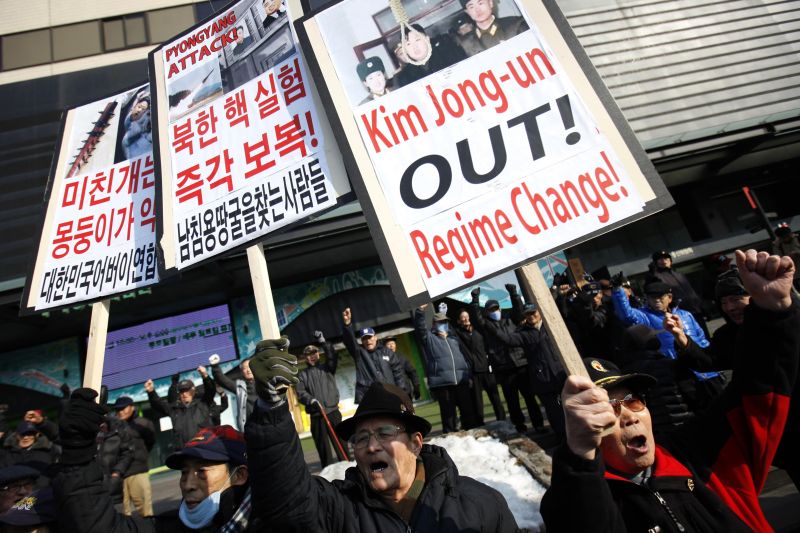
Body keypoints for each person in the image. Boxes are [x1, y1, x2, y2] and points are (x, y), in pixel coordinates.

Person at [541, 249, 799, 532]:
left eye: (634, 400)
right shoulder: (586, 499)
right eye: (609, 408)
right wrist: (578, 456)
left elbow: (757, 388)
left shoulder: (696, 456)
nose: (629, 416)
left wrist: (772, 314)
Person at [244, 337, 520, 532]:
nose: (371, 446)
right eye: (361, 438)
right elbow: (286, 502)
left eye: (385, 433)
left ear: (415, 443)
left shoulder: (479, 504)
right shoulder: (340, 510)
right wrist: (271, 408)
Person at [54, 388, 252, 532]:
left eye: (202, 472)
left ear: (240, 475)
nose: (188, 485)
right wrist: (77, 454)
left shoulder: (269, 520)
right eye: (184, 473)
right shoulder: (163, 527)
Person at [471, 285, 543, 433]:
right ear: (487, 312)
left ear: (500, 309)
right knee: (512, 401)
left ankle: (539, 424)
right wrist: (475, 300)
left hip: (521, 365)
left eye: (495, 308)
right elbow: (476, 319)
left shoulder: (511, 320)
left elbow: (519, 310)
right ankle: (520, 426)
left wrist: (514, 293)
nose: (494, 311)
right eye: (490, 310)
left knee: (530, 397)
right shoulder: (486, 326)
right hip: (503, 368)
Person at [490, 303, 566, 436]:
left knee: (571, 407)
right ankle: (562, 438)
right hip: (543, 378)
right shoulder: (523, 333)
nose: (531, 316)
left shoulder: (551, 325)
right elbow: (508, 340)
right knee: (554, 412)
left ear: (539, 312)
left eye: (533, 313)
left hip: (561, 374)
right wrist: (492, 329)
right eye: (527, 314)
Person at [413, 305, 475, 433]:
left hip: (460, 381)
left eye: (445, 321)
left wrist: (467, 374)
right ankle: (451, 440)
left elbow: (462, 356)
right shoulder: (429, 338)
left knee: (468, 412)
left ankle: (473, 436)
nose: (444, 323)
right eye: (440, 322)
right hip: (443, 383)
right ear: (434, 324)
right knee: (448, 416)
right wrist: (420, 312)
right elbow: (420, 328)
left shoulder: (454, 338)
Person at [296, 331, 347, 468]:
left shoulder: (328, 368)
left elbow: (332, 355)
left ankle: (349, 468)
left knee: (342, 444)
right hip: (317, 416)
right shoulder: (302, 375)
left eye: (314, 353)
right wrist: (311, 400)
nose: (312, 356)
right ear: (305, 358)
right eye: (309, 355)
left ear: (318, 354)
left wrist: (323, 341)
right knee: (324, 451)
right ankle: (329, 476)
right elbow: (300, 393)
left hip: (333, 412)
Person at [341, 307, 410, 402]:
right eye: (365, 338)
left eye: (370, 337)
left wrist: (402, 392)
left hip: (391, 394)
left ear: (376, 337)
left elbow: (398, 373)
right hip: (371, 398)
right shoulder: (359, 353)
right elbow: (349, 341)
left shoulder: (387, 352)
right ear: (361, 341)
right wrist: (347, 325)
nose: (368, 341)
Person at [145, 366, 216, 451]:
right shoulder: (174, 409)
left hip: (206, 450)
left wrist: (205, 376)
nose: (184, 394)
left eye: (187, 390)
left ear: (193, 390)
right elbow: (158, 405)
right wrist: (151, 392)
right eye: (182, 391)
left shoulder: (203, 403)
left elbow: (211, 390)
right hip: (185, 454)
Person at [454, 307, 506, 425]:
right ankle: (480, 423)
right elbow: (452, 330)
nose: (465, 319)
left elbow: (479, 319)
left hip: (487, 369)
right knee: (478, 401)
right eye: (463, 317)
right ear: (459, 321)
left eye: (467, 316)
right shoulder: (459, 334)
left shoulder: (478, 331)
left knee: (495, 397)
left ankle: (502, 420)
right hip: (474, 372)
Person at [111, 396, 155, 517]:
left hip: (138, 471)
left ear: (132, 407)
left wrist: (140, 456)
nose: (120, 412)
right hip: (118, 475)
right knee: (121, 514)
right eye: (118, 409)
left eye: (123, 408)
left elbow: (150, 441)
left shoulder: (143, 423)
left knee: (145, 512)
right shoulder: (113, 427)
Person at [649, 250, 707, 332]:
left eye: (666, 258)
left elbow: (692, 292)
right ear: (656, 262)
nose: (664, 261)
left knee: (704, 337)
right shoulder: (656, 278)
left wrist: (700, 306)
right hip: (680, 315)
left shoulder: (679, 275)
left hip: (696, 311)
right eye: (660, 259)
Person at [396, 24, 467, 88]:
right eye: (408, 44)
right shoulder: (404, 77)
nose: (415, 47)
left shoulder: (450, 53)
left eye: (417, 40)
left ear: (427, 39)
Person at [457, 0, 529, 56]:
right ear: (467, 12)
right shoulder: (465, 44)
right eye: (471, 7)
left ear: (490, 3)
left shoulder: (516, 24)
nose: (477, 10)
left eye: (480, 3)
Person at [211, 357, 256, 430]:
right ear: (241, 372)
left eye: (250, 367)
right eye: (245, 368)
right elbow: (222, 380)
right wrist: (215, 366)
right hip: (250, 428)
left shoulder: (265, 383)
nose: (248, 370)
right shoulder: (240, 386)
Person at [96, 416, 134, 503]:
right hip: (96, 488)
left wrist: (117, 472)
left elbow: (127, 453)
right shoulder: (90, 435)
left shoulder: (118, 433)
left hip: (114, 484)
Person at [771, 222, 800, 291]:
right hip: (795, 275)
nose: (786, 239)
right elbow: (779, 260)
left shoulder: (798, 239)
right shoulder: (778, 245)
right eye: (783, 237)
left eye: (787, 236)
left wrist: (797, 253)